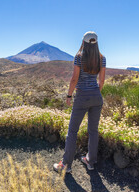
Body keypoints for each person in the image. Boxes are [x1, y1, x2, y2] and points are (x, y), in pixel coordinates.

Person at [53, 31, 106, 173]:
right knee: (93, 131)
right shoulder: (102, 58)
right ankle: (90, 161)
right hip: (96, 97)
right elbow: (101, 81)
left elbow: (74, 79)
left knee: (72, 131)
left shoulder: (79, 57)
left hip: (82, 97)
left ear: (84, 42)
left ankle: (65, 165)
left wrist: (69, 96)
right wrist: (96, 93)